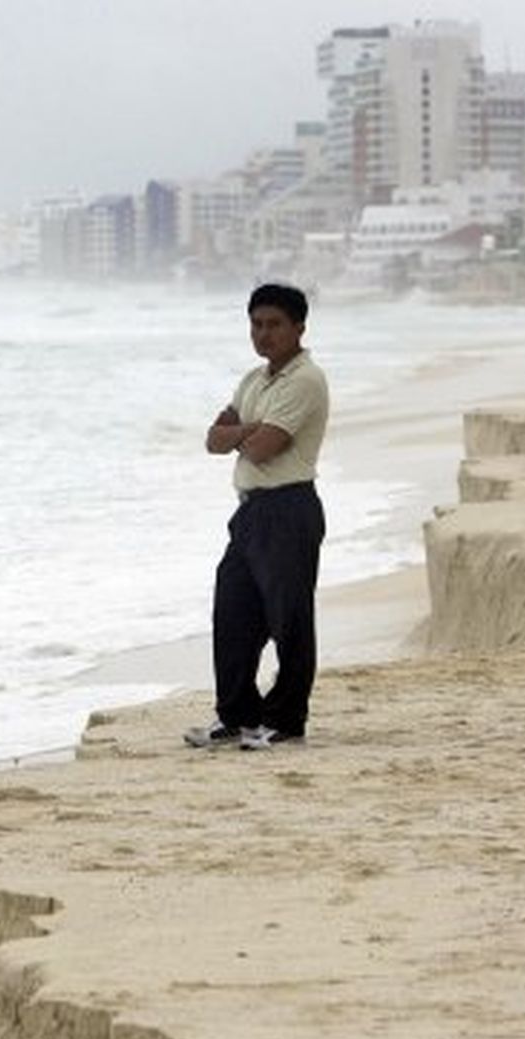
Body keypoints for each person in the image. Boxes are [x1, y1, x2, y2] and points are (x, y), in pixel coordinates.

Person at [184, 283, 329, 751]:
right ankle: (237, 715)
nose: (263, 334)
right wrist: (246, 431)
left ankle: (286, 720)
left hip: (288, 508)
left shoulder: (305, 379)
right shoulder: (253, 380)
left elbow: (265, 450)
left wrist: (241, 434)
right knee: (232, 613)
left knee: (289, 620)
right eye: (256, 324)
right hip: (249, 513)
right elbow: (212, 438)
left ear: (299, 328)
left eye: (274, 325)